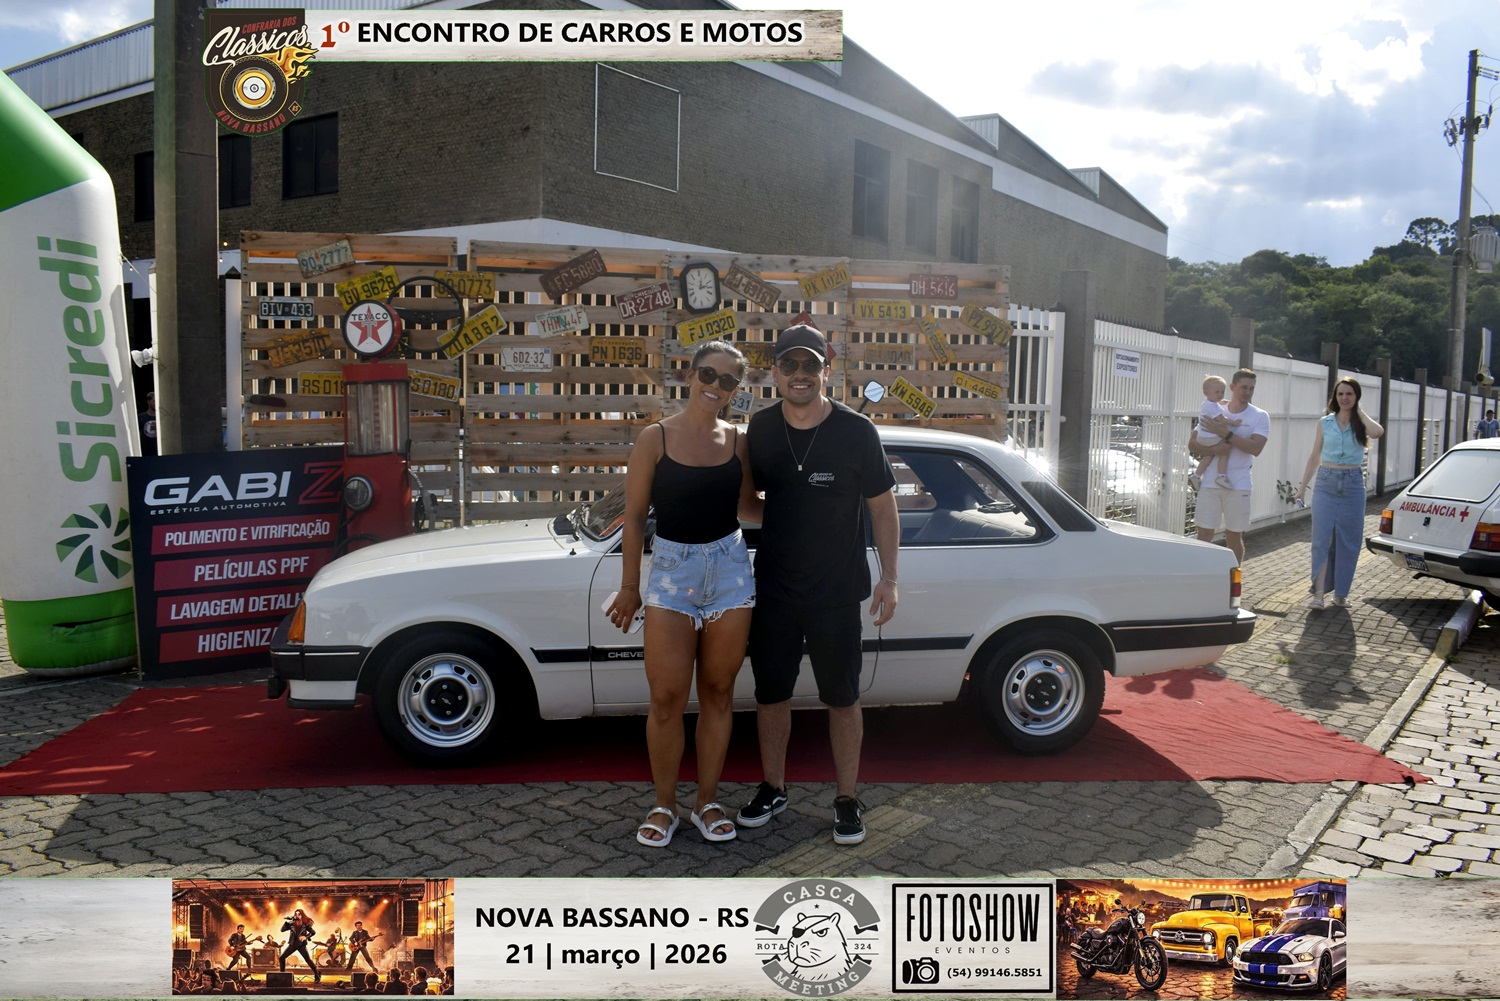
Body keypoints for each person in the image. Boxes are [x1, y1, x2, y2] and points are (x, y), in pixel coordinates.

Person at [735, 324, 899, 846]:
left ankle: (847, 799)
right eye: (790, 365)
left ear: (827, 370)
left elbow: (883, 507)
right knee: (771, 695)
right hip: (775, 591)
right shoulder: (760, 429)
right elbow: (745, 503)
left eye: (811, 365)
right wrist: (789, 516)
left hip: (837, 593)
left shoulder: (856, 431)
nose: (800, 374)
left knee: (843, 698)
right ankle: (773, 787)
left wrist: (890, 578)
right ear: (775, 373)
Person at [608, 341, 755, 847]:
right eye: (708, 375)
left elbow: (748, 508)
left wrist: (812, 509)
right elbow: (633, 519)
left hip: (730, 571)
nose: (716, 387)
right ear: (690, 375)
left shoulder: (738, 442)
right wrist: (630, 587)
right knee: (667, 697)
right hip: (671, 574)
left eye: (728, 381)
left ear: (736, 389)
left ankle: (706, 802)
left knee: (718, 693)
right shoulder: (656, 438)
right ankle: (664, 805)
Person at [1295, 377, 1384, 608]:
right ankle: (1318, 594)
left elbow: (1377, 432)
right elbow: (1315, 456)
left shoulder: (1361, 423)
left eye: (1349, 394)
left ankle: (1341, 594)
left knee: (1349, 541)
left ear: (1356, 397)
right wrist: (1302, 488)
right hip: (1326, 482)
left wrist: (1359, 413)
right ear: (1335, 397)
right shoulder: (1325, 422)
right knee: (1321, 540)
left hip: (1352, 485)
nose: (1344, 398)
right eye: (1340, 394)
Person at [1188, 368, 1268, 564]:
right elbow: (1192, 443)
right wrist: (1216, 449)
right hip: (1210, 483)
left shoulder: (1259, 415)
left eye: (1251, 388)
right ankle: (1202, 576)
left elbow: (1256, 448)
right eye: (1243, 387)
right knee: (1204, 535)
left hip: (1238, 485)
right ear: (1232, 387)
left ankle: (1234, 579)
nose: (1247, 392)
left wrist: (1226, 434)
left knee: (1233, 536)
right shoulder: (1215, 408)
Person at [1189, 375, 1241, 491]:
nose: (1220, 395)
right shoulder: (1212, 406)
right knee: (1224, 451)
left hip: (1203, 436)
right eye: (1217, 392)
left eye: (1222, 392)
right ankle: (1221, 476)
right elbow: (1221, 419)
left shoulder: (1207, 403)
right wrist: (1234, 422)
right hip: (1210, 437)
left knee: (1209, 457)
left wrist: (1222, 402)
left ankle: (1196, 476)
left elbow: (1217, 404)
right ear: (1206, 392)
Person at [278, 908, 320, 983]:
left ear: (302, 915)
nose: (297, 916)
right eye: (296, 914)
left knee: (307, 959)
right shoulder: (291, 923)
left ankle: (317, 975)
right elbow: (282, 930)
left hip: (301, 945)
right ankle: (282, 975)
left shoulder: (305, 924)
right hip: (293, 944)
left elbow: (313, 932)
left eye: (299, 914)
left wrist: (306, 937)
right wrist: (287, 922)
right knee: (282, 958)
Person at [140, 390, 158, 456]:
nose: (156, 403)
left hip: (159, 452)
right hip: (145, 453)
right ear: (148, 402)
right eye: (154, 401)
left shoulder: (162, 418)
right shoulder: (141, 417)